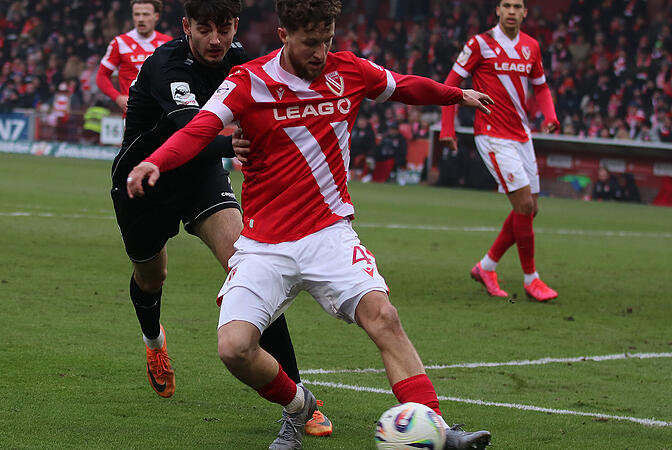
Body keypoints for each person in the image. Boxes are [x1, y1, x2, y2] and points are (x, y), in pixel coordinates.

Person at [126, 1, 493, 448]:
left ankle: (436, 429)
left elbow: (404, 86)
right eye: (310, 42)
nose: (321, 52)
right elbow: (199, 128)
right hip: (263, 244)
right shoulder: (249, 81)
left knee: (384, 318)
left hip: (329, 234)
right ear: (284, 35)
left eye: (327, 40)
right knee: (233, 349)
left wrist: (457, 95)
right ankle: (299, 406)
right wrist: (156, 162)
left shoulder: (350, 71)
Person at [109, 0, 333, 439]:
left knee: (251, 270)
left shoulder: (243, 63)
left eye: (224, 29)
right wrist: (235, 146)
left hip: (203, 179)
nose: (216, 40)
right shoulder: (165, 63)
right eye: (205, 29)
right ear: (185, 27)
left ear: (236, 26)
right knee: (152, 276)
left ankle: (300, 399)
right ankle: (154, 342)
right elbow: (188, 129)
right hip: (145, 180)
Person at [440, 0, 559, 302]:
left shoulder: (532, 46)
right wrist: (447, 128)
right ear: (497, 10)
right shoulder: (479, 44)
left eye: (517, 6)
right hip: (492, 135)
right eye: (506, 5)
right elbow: (452, 84)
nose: (511, 11)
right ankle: (532, 279)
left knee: (531, 207)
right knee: (523, 205)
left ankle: (486, 266)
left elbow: (541, 87)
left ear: (525, 13)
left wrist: (550, 115)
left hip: (522, 134)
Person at [96, 0, 172, 114]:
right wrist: (117, 97)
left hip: (162, 113)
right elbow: (101, 76)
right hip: (133, 115)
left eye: (145, 14)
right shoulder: (120, 43)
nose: (141, 19)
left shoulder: (168, 43)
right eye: (137, 14)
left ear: (156, 16)